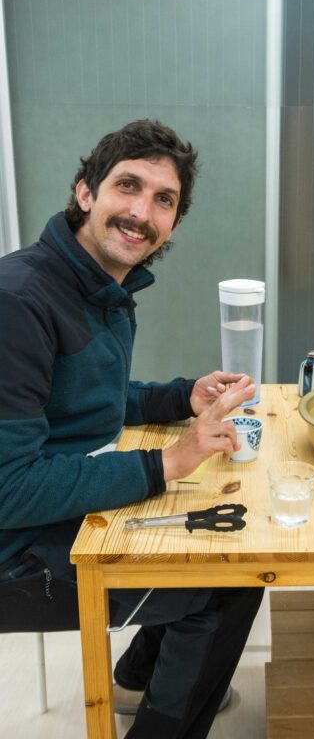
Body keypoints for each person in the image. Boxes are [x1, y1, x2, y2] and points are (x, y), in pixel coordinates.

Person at [0, 119, 263, 738]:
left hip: (51, 514)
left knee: (221, 548)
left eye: (164, 200)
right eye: (128, 186)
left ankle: (140, 679)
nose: (142, 212)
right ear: (85, 192)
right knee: (228, 584)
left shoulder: (96, 287)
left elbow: (87, 402)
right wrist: (167, 463)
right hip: (14, 553)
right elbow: (9, 488)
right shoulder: (21, 301)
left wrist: (181, 396)